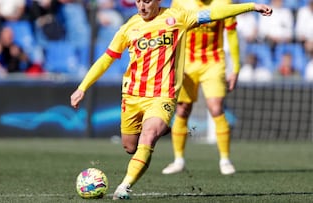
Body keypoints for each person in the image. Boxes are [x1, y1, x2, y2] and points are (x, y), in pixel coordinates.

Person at [70, 0, 272, 200]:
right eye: (138, 1)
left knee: (147, 137)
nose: (142, 6)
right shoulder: (128, 27)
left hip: (162, 96)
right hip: (132, 96)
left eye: (147, 1)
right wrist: (82, 87)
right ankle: (163, 128)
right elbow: (106, 59)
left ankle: (124, 186)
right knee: (130, 147)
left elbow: (215, 13)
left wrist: (251, 6)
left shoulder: (178, 17)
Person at [161, 0, 242, 176]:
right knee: (182, 109)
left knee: (216, 108)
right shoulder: (180, 3)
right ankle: (178, 160)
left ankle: (225, 159)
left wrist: (235, 67)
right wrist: (173, 63)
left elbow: (232, 34)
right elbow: (172, 33)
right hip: (187, 62)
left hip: (213, 62)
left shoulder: (224, 2)